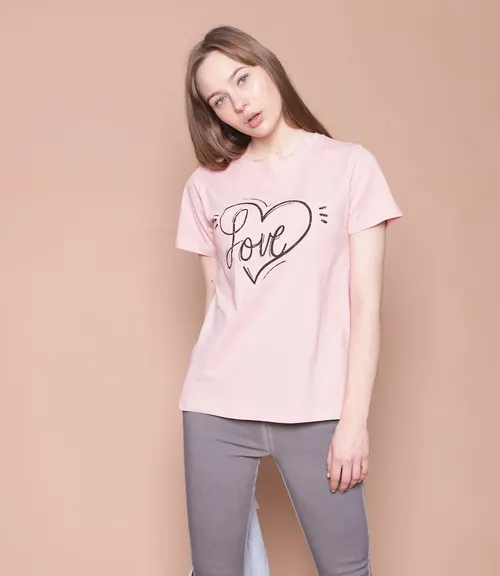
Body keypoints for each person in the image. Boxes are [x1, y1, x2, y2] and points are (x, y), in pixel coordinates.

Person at [175, 25, 403, 576]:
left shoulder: (350, 166)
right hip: (217, 408)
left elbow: (365, 305)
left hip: (317, 408)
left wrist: (354, 421)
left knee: (346, 569)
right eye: (219, 99)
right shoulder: (205, 186)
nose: (239, 104)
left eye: (242, 79)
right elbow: (217, 301)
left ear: (267, 66)